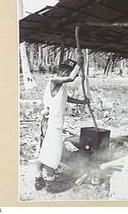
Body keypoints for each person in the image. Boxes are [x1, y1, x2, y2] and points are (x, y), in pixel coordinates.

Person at [35, 58, 89, 191]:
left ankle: (38, 178)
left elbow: (66, 98)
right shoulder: (53, 81)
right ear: (63, 70)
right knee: (51, 153)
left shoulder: (61, 86)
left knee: (45, 151)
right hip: (51, 123)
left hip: (54, 122)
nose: (73, 76)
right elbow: (70, 78)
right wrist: (79, 64)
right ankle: (50, 182)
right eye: (69, 72)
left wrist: (82, 102)